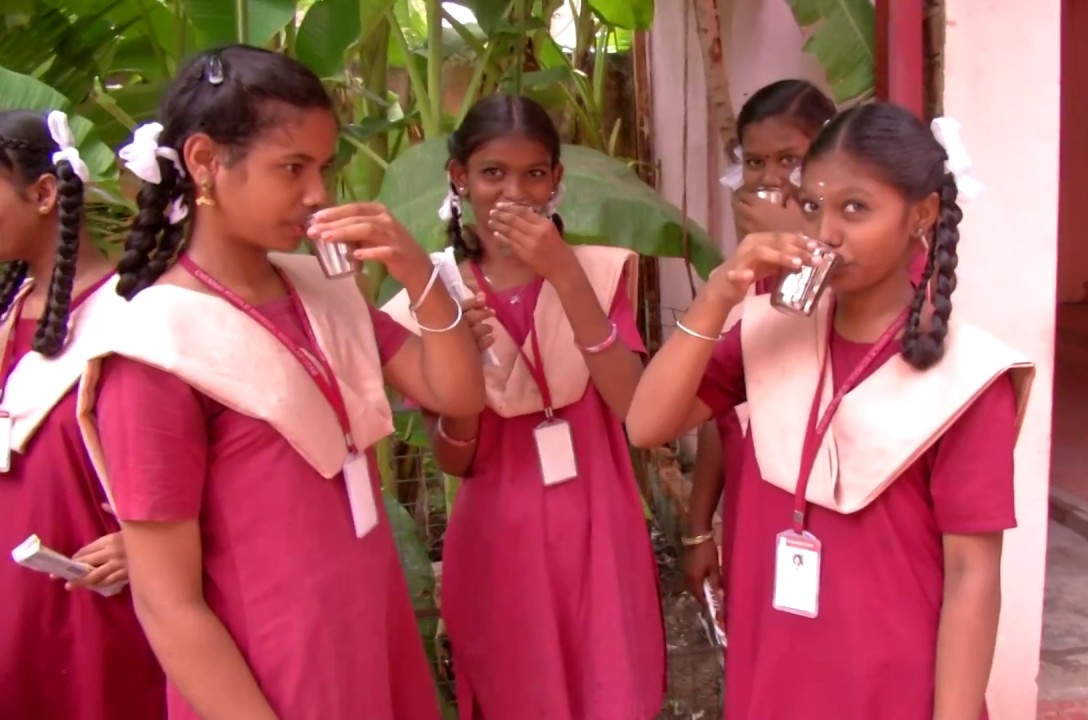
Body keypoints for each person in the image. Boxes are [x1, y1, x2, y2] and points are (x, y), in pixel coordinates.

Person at [77, 45, 486, 720]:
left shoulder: (317, 288)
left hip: (367, 628)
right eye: (291, 167)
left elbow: (458, 395)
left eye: (323, 168)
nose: (317, 193)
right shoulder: (156, 348)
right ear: (206, 162)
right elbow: (166, 601)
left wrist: (419, 275)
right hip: (271, 673)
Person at [625, 102, 1035, 719]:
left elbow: (972, 576)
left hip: (893, 687)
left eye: (856, 208)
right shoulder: (766, 332)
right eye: (814, 206)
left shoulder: (968, 378)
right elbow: (647, 423)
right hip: (776, 671)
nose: (827, 233)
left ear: (920, 215)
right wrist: (720, 294)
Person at [382, 93, 665, 720]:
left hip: (599, 524)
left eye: (534, 173)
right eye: (492, 173)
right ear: (459, 178)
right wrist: (461, 365)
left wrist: (564, 276)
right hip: (499, 540)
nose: (514, 191)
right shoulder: (433, 298)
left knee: (611, 685)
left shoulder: (600, 271)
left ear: (557, 180)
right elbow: (455, 460)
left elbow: (634, 407)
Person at [0, 110, 164, 720]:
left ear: (44, 193)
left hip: (99, 609)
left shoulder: (134, 317)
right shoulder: (12, 311)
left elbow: (210, 459)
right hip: (18, 611)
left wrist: (149, 543)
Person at [688, 79, 836, 613]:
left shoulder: (858, 275)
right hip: (753, 503)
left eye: (790, 160)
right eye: (755, 163)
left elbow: (803, 317)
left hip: (819, 510)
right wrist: (699, 527)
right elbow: (719, 404)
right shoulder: (747, 275)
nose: (771, 178)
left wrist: (800, 240)